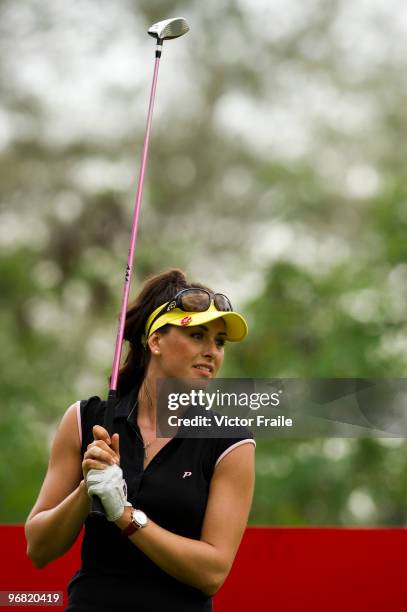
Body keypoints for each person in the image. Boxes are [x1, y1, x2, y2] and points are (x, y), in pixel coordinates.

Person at [25, 269, 256, 612]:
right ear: (156, 341)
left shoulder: (229, 440)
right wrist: (87, 487)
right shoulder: (84, 419)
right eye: (197, 335)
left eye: (219, 342)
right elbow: (39, 548)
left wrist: (125, 516)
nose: (212, 352)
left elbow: (212, 572)